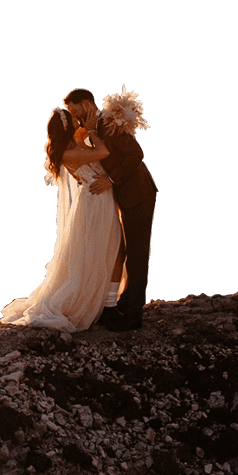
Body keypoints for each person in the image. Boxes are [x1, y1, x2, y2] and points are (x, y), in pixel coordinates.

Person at [0, 89, 126, 331]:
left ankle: (108, 303)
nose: (79, 120)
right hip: (95, 204)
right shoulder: (68, 153)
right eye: (75, 118)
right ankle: (105, 306)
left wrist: (86, 131)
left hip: (98, 200)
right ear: (67, 127)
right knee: (105, 251)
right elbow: (103, 153)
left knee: (109, 250)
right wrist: (93, 130)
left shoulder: (73, 145)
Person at [86, 86, 156, 329]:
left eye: (76, 111)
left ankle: (134, 317)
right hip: (128, 197)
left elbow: (136, 153)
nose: (75, 118)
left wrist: (111, 180)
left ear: (87, 105)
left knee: (137, 256)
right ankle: (126, 303)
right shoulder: (95, 128)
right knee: (126, 251)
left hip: (139, 194)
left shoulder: (106, 124)